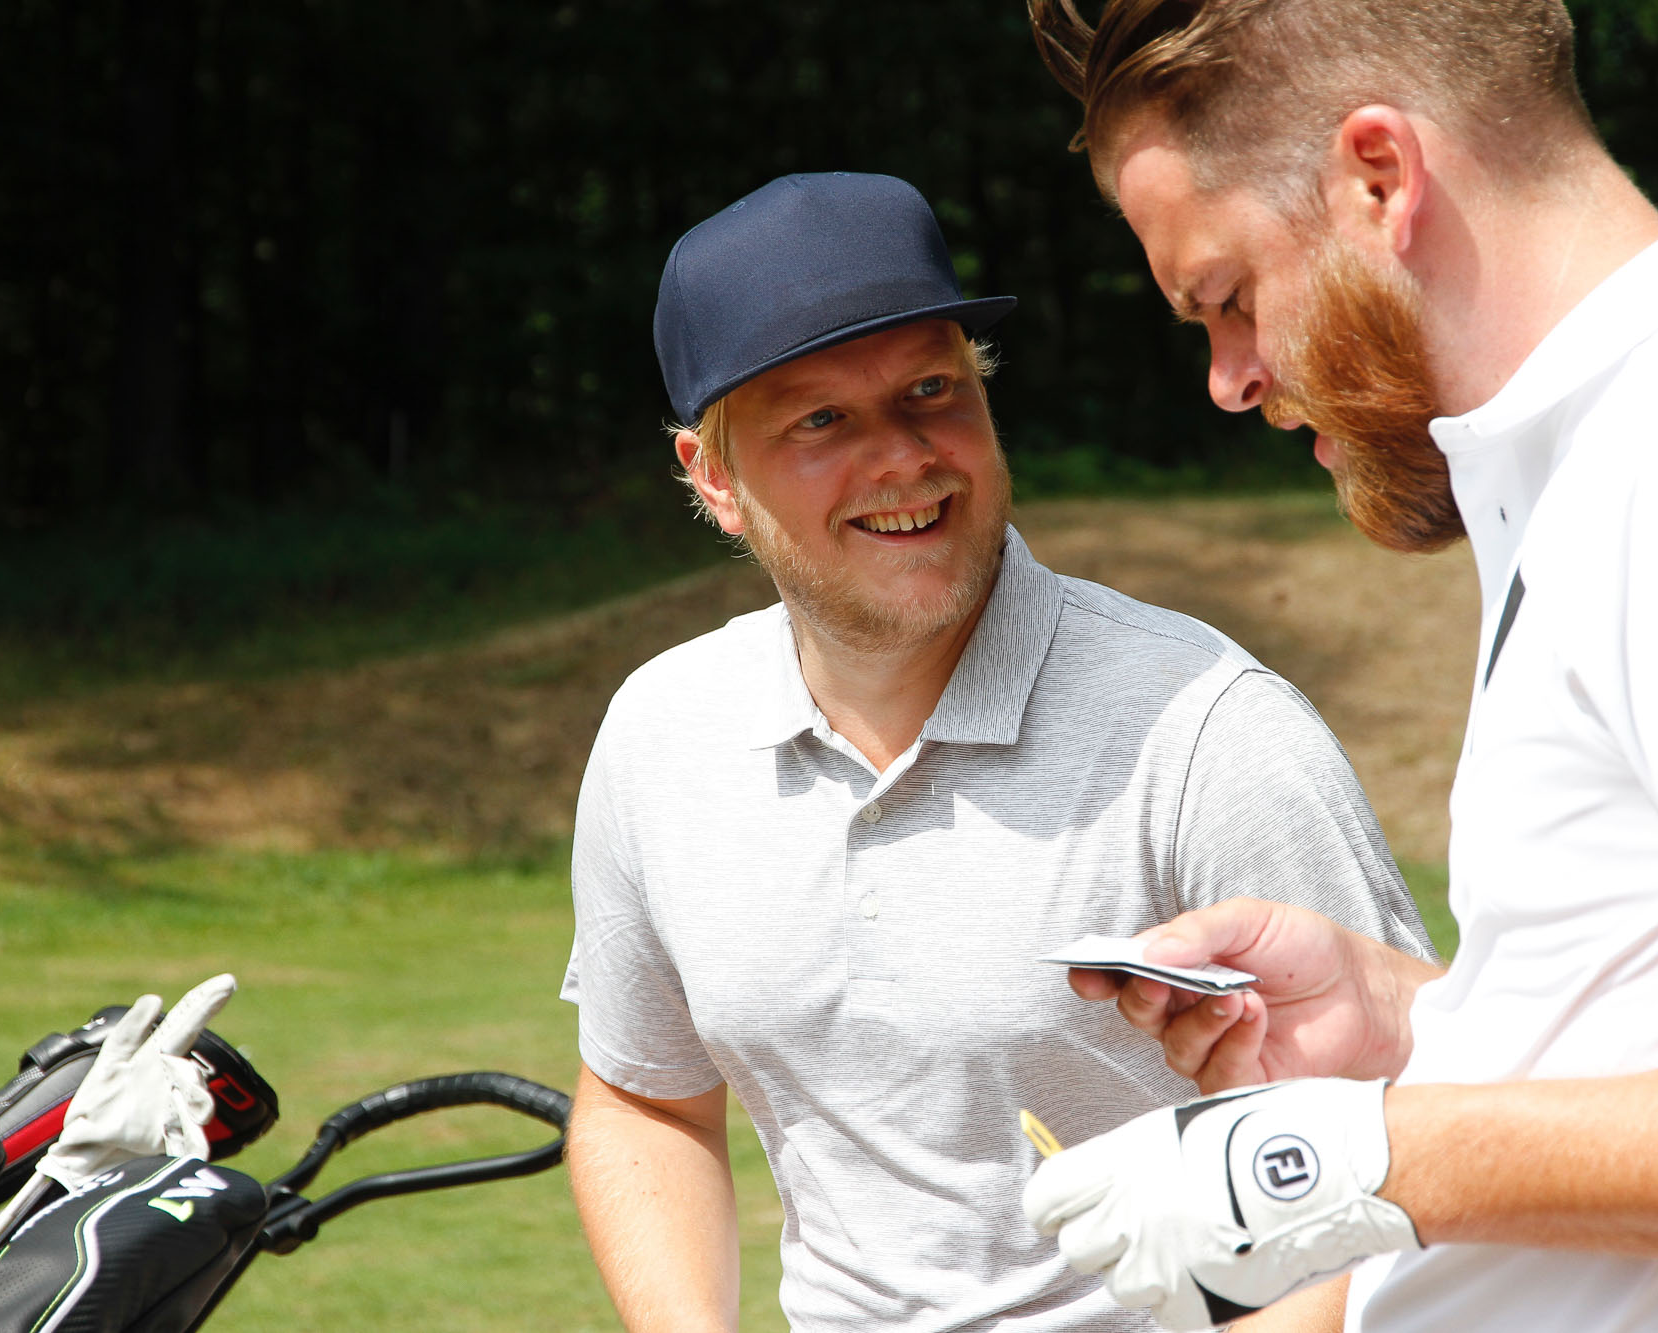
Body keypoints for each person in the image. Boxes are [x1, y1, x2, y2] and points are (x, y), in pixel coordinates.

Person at [1017, 3, 1658, 1331]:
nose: (1228, 379)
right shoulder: (1616, 461)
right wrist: (1411, 1021)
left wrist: (1339, 1162)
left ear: (1379, 178)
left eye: (1228, 298)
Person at [558, 171, 1435, 1333]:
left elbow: (1397, 1140)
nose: (902, 457)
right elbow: (644, 1101)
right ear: (714, 477)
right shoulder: (661, 736)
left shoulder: (1205, 730)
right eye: (821, 420)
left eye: (931, 390)